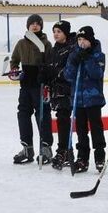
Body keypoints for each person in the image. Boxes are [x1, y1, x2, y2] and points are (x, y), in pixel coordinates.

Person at [9, 14, 54, 164]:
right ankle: (27, 148)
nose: (35, 26)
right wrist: (14, 70)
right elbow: (14, 60)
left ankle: (46, 148)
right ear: (28, 26)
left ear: (41, 26)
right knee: (23, 114)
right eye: (32, 24)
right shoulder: (21, 43)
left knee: (43, 115)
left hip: (40, 85)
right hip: (26, 85)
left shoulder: (46, 44)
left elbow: (50, 63)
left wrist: (45, 73)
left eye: (37, 24)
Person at [64, 26, 106, 173]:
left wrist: (87, 58)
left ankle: (100, 157)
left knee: (96, 128)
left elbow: (97, 74)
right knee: (81, 130)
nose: (81, 43)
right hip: (78, 100)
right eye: (79, 40)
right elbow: (68, 76)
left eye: (85, 40)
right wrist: (75, 61)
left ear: (91, 40)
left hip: (93, 99)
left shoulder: (98, 55)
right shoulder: (74, 54)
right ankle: (82, 157)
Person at [47, 20, 75, 170]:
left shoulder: (71, 48)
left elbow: (69, 71)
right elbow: (50, 66)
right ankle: (63, 150)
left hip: (68, 90)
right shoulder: (54, 49)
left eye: (59, 31)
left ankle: (63, 151)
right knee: (61, 119)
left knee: (64, 119)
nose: (56, 34)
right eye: (54, 31)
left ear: (66, 33)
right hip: (56, 90)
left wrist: (56, 73)